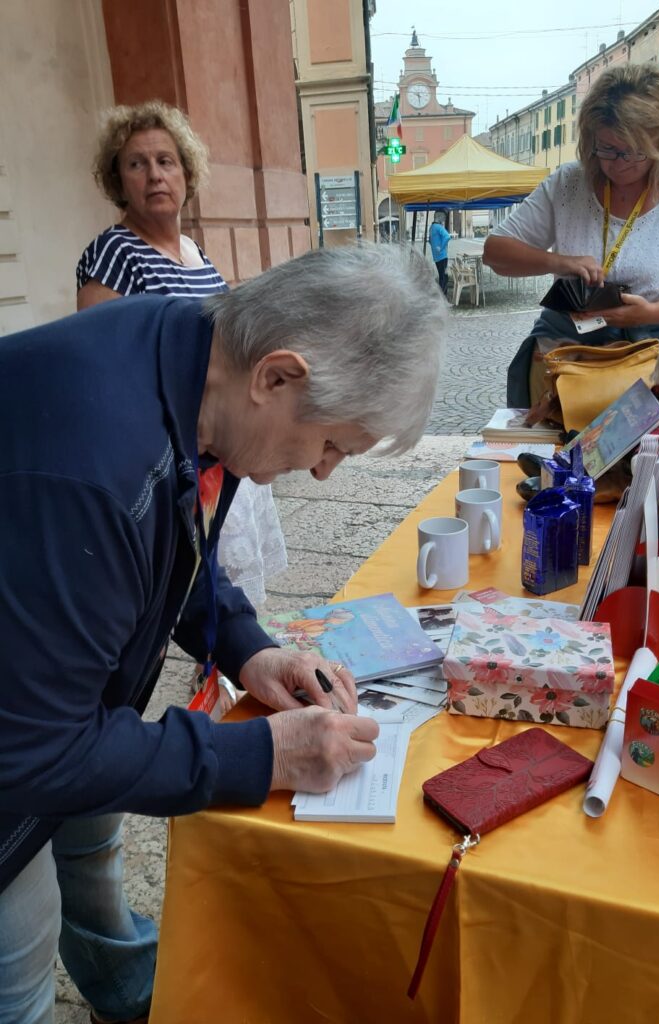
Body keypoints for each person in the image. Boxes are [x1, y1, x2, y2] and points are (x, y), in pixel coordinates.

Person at [0, 244, 447, 1024]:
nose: (323, 472)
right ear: (278, 376)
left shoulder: (197, 355)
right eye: (334, 443)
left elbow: (169, 544)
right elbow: (41, 752)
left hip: (52, 684)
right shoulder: (95, 468)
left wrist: (247, 644)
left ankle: (127, 988)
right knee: (18, 946)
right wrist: (260, 755)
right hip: (23, 743)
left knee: (91, 838)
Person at [76, 100, 287, 609]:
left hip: (222, 443)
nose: (154, 175)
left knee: (227, 587)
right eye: (137, 163)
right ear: (117, 179)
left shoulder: (195, 251)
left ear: (187, 172)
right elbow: (101, 365)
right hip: (175, 451)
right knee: (196, 585)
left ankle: (229, 674)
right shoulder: (114, 253)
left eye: (166, 161)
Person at [483, 63, 659, 409]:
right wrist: (560, 261)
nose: (617, 164)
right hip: (567, 356)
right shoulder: (569, 182)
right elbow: (495, 252)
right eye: (605, 148)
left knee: (648, 463)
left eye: (633, 151)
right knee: (554, 459)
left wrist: (649, 314)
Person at [428, 212, 452, 296]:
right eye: (443, 217)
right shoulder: (439, 227)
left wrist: (435, 247)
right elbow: (447, 236)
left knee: (442, 276)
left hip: (436, 257)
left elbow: (430, 241)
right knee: (444, 277)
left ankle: (442, 295)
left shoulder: (431, 228)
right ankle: (443, 296)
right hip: (442, 255)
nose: (444, 219)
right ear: (439, 217)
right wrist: (441, 247)